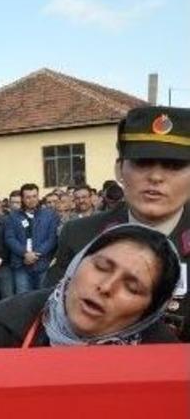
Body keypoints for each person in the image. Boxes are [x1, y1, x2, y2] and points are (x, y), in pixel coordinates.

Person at [46, 106, 190, 341]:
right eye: (142, 163)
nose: (155, 177)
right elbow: (50, 316)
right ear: (119, 169)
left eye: (173, 166)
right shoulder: (79, 235)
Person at [0, 224, 180, 348]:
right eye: (102, 267)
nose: (106, 287)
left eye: (132, 287)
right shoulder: (8, 320)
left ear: (149, 311)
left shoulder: (167, 359)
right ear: (77, 263)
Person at [5, 182, 59, 294]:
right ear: (22, 199)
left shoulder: (50, 215)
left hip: (43, 264)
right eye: (28, 197)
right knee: (23, 299)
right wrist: (25, 254)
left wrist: (35, 255)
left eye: (35, 196)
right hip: (21, 265)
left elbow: (52, 239)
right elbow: (10, 238)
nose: (32, 200)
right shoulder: (13, 216)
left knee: (43, 298)